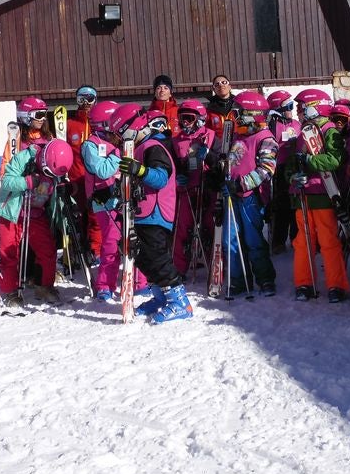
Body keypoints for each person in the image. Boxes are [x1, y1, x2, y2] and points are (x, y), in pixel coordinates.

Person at [112, 104, 194, 324]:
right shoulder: (139, 148)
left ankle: (180, 302)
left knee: (157, 258)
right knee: (142, 257)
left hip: (156, 212)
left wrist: (139, 170)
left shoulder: (153, 147)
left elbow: (160, 178)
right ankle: (160, 297)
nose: (121, 139)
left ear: (133, 127)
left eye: (122, 133)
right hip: (141, 213)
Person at [0, 136, 73, 308]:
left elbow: (57, 187)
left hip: (36, 211)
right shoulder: (25, 157)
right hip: (13, 211)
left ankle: (43, 286)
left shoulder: (57, 163)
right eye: (47, 173)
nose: (48, 176)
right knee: (9, 251)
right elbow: (6, 180)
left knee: (47, 249)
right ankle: (10, 291)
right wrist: (26, 181)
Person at [81, 100, 148, 302]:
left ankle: (140, 282)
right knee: (111, 244)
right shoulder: (91, 145)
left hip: (125, 196)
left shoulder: (121, 141)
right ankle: (104, 285)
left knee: (134, 238)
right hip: (104, 201)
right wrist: (120, 153)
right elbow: (101, 170)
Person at [288, 88, 350, 302]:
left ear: (314, 107)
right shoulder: (303, 132)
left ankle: (337, 285)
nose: (298, 111)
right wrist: (293, 176)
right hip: (303, 195)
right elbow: (291, 163)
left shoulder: (329, 131)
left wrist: (310, 162)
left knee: (328, 241)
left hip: (323, 194)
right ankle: (304, 283)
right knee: (303, 242)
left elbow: (335, 160)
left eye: (302, 107)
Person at [220, 91, 278, 296]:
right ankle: (239, 279)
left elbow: (266, 169)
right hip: (230, 194)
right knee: (231, 239)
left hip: (250, 196)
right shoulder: (237, 135)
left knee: (253, 238)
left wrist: (242, 184)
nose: (235, 117)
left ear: (253, 113)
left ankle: (265, 278)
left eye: (239, 112)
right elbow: (228, 161)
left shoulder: (265, 138)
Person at [169, 98, 214, 275]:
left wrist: (210, 158)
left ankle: (215, 265)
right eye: (181, 118)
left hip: (206, 187)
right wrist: (177, 179)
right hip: (186, 190)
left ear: (200, 119)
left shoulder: (210, 136)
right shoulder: (176, 141)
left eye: (189, 118)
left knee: (209, 227)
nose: (184, 123)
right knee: (183, 229)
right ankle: (179, 268)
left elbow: (220, 160)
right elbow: (171, 166)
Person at [67, 85, 102, 262]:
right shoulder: (70, 125)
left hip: (97, 178)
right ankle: (77, 249)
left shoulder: (101, 123)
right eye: (82, 99)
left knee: (96, 214)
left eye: (90, 99)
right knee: (79, 215)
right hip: (76, 179)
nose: (86, 103)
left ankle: (96, 250)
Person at [266, 90, 300, 254]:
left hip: (294, 166)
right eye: (288, 106)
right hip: (278, 169)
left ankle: (296, 238)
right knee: (281, 205)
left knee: (296, 204)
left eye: (292, 105)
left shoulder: (295, 123)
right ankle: (278, 241)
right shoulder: (272, 125)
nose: (291, 109)